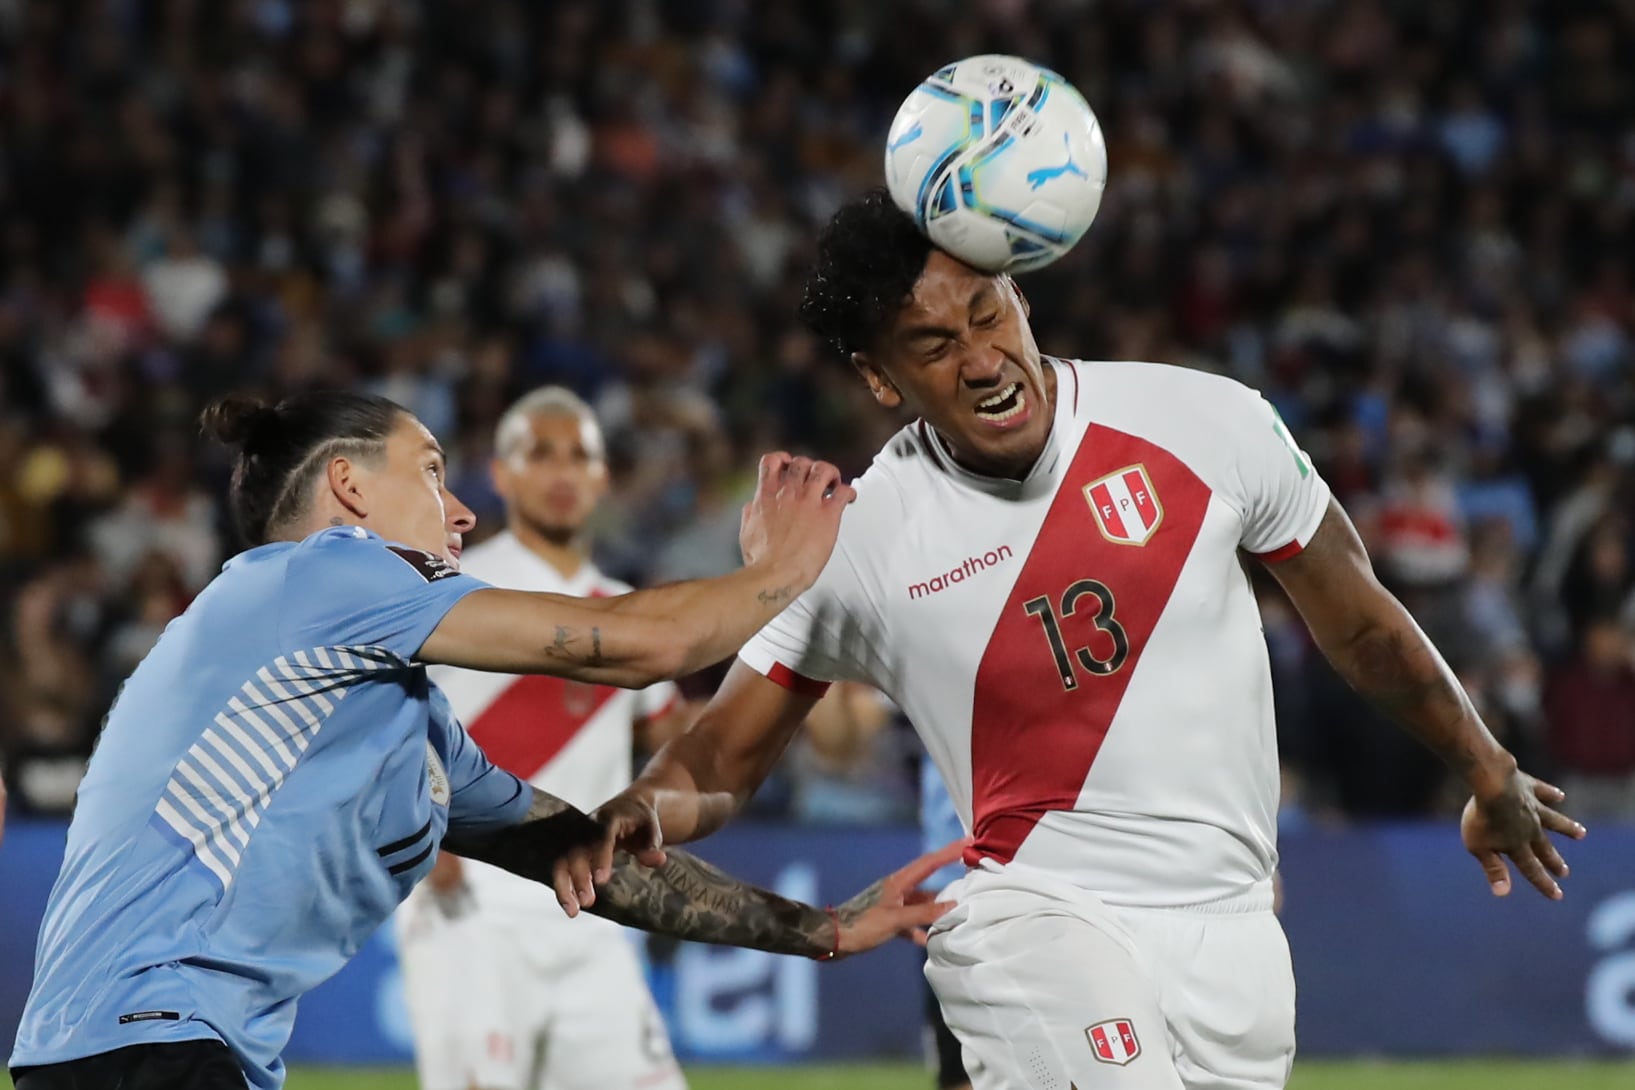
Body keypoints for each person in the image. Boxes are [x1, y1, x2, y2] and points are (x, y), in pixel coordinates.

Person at [560, 191, 1588, 1090]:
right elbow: (722, 756)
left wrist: (1484, 765)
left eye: (987, 313)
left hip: (1234, 939)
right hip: (1034, 918)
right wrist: (639, 807)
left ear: (1022, 295)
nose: (981, 359)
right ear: (881, 380)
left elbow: (1360, 621)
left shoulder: (1206, 423)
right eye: (932, 346)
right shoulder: (858, 539)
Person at [7, 389, 956, 1090]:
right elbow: (646, 646)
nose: (460, 511)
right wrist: (791, 566)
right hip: (142, 1045)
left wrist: (823, 929)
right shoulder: (315, 576)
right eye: (430, 472)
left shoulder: (405, 725)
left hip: (163, 1052)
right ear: (348, 488)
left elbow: (595, 861)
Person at [395, 387, 694, 1090]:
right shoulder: (452, 585)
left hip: (590, 905)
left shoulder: (624, 612)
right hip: (473, 903)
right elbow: (379, 712)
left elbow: (673, 741)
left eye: (579, 456)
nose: (562, 473)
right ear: (500, 474)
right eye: (541, 454)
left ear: (601, 478)